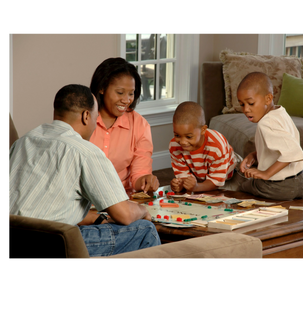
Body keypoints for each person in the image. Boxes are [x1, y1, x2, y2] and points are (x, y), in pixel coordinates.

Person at [6, 84, 161, 257]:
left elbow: (48, 205)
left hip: (11, 240)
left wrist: (98, 218)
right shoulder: (86, 151)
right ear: (86, 116)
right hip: (52, 245)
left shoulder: (23, 142)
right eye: (96, 117)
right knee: (145, 229)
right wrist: (142, 211)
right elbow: (123, 214)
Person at [89, 57, 159, 194]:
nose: (126, 100)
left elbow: (139, 173)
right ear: (102, 88)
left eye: (131, 93)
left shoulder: (140, 125)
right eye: (120, 93)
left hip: (121, 197)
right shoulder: (84, 119)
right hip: (85, 199)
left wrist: (145, 180)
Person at [235, 72, 303, 200]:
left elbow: (294, 153)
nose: (246, 109)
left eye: (251, 103)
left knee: (241, 186)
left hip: (280, 186)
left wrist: (266, 174)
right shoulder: (280, 112)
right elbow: (284, 146)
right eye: (242, 104)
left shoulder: (266, 123)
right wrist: (255, 155)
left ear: (268, 99)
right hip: (301, 180)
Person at [169, 101, 238, 193]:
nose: (182, 142)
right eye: (177, 135)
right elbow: (184, 177)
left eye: (189, 137)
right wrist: (181, 184)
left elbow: (215, 182)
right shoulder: (174, 146)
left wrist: (197, 187)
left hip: (228, 173)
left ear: (203, 130)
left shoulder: (217, 146)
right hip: (200, 174)